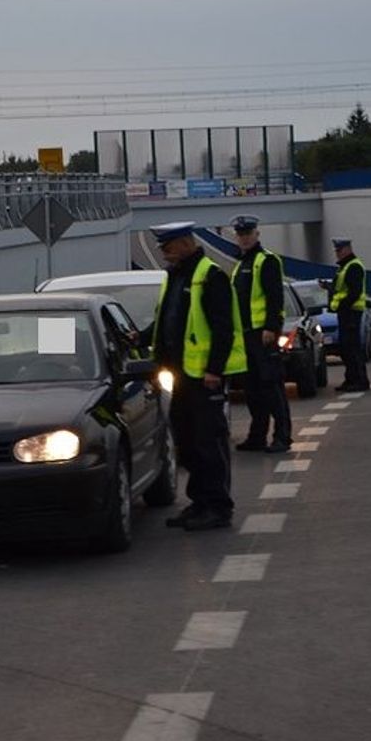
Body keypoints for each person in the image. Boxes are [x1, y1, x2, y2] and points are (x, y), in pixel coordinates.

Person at [147, 221, 247, 531]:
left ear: (185, 244)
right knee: (188, 443)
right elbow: (166, 320)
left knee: (208, 443)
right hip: (179, 375)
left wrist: (214, 369)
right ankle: (200, 501)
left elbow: (223, 327)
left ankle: (218, 506)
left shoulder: (210, 276)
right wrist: (139, 337)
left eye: (168, 247)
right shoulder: (174, 277)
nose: (164, 253)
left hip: (204, 377)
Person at [229, 214, 292, 454]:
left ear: (257, 234)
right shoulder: (240, 265)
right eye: (241, 234)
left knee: (272, 386)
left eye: (248, 234)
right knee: (253, 390)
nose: (244, 238)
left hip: (262, 335)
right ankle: (257, 436)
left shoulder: (266, 261)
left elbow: (275, 296)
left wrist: (271, 327)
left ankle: (282, 436)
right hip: (246, 336)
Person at [328, 237, 370, 392]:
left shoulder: (353, 266)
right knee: (346, 348)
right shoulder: (344, 267)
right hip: (346, 312)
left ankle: (360, 381)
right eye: (336, 251)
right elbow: (341, 288)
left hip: (351, 312)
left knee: (352, 348)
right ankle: (351, 379)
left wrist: (342, 305)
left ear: (347, 250)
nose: (337, 253)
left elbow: (354, 292)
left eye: (339, 250)